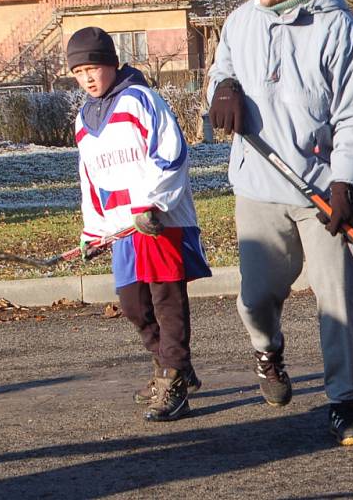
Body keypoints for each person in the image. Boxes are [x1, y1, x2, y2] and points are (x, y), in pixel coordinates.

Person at [206, 0, 353, 446]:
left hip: (320, 190)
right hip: (258, 186)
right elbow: (221, 72)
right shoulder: (239, 23)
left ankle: (344, 402)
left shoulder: (335, 28)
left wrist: (345, 182)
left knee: (337, 301)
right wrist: (224, 89)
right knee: (255, 298)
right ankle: (268, 350)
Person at [69, 26, 212, 422]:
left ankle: (173, 379)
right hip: (121, 229)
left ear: (112, 64)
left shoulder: (140, 99)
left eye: (93, 67)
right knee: (133, 305)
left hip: (157, 221)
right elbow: (91, 180)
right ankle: (173, 365)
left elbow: (171, 153)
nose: (88, 78)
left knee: (167, 303)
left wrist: (150, 202)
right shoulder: (84, 119)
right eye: (79, 72)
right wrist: (94, 230)